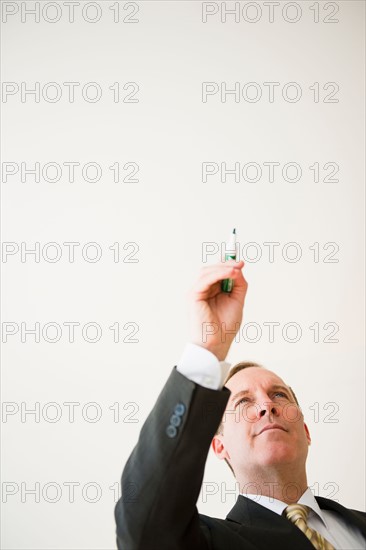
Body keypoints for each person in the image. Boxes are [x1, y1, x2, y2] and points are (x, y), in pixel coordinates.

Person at [114, 260, 366, 549]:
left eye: (280, 395)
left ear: (307, 432)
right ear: (220, 446)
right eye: (244, 401)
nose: (266, 407)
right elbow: (144, 528)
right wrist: (208, 349)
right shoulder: (209, 541)